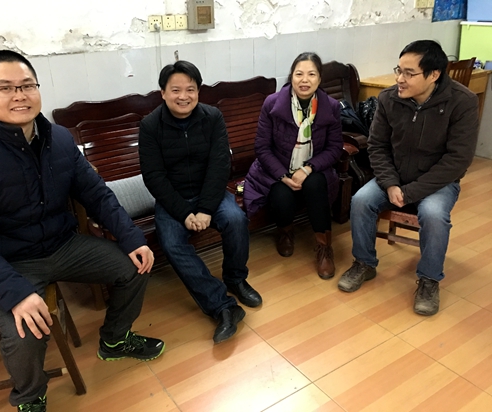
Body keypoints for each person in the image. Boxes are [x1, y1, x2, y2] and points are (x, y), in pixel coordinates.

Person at [0, 50, 164, 412]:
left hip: (63, 246)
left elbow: (97, 194)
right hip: (10, 262)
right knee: (24, 332)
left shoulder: (59, 139)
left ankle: (114, 340)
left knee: (135, 266)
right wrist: (16, 294)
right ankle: (30, 397)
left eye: (27, 85)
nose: (19, 95)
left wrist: (132, 238)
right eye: (5, 88)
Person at [337, 40, 479, 316]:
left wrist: (410, 192)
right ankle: (364, 263)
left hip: (438, 182)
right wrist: (391, 183)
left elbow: (457, 160)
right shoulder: (389, 99)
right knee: (361, 200)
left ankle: (429, 279)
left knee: (434, 214)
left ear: (434, 74)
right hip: (395, 176)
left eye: (409, 73)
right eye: (398, 70)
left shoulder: (462, 102)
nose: (399, 79)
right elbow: (377, 146)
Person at [138, 60, 262, 344]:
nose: (183, 96)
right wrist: (185, 213)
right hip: (173, 199)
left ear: (198, 91)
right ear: (163, 93)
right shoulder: (150, 125)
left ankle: (236, 279)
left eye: (190, 89)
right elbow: (154, 177)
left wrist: (205, 209)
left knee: (235, 219)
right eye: (176, 90)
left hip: (211, 193)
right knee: (171, 243)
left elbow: (220, 165)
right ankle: (222, 306)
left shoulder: (212, 117)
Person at [243, 52, 343, 279]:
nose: (304, 80)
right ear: (291, 76)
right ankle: (285, 232)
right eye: (299, 74)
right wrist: (283, 175)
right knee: (281, 193)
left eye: (311, 74)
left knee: (316, 184)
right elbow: (262, 147)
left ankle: (324, 247)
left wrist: (307, 169)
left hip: (313, 169)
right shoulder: (272, 104)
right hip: (276, 169)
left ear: (320, 78)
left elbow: (335, 148)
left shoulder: (331, 107)